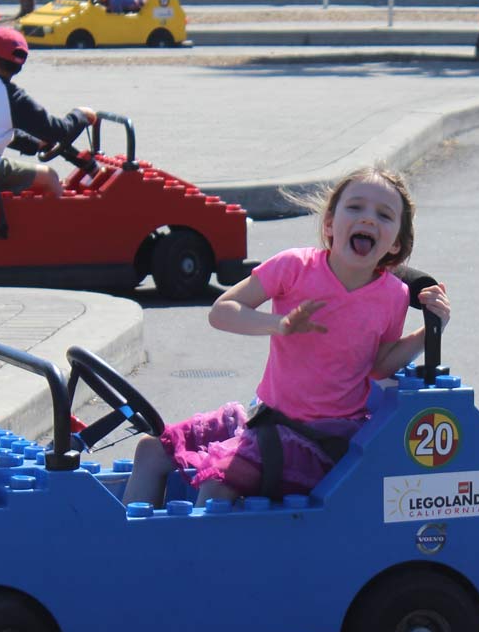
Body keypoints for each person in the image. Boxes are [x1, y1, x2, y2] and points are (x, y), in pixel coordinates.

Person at [122, 167, 451, 506]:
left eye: (384, 214)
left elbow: (379, 365)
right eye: (355, 207)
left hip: (320, 442)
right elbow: (222, 311)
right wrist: (278, 324)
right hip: (264, 419)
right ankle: (124, 551)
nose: (368, 219)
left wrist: (429, 331)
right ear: (328, 224)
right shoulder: (294, 267)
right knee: (150, 450)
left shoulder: (393, 295)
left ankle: (185, 557)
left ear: (395, 242)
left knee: (216, 490)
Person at [0, 24, 98, 197]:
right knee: (50, 177)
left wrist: (33, 144)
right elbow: (58, 131)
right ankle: (56, 223)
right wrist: (80, 115)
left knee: (36, 177)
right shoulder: (12, 97)